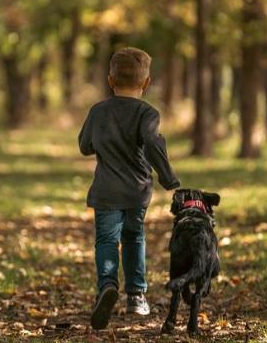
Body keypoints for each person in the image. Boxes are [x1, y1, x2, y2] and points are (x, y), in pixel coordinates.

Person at [78, 47, 181, 330]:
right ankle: (136, 296)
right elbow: (152, 144)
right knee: (134, 237)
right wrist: (169, 178)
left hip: (106, 192)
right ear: (146, 84)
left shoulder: (98, 111)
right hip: (137, 192)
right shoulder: (148, 113)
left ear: (110, 81)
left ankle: (107, 287)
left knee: (107, 241)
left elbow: (85, 146)